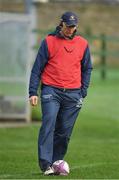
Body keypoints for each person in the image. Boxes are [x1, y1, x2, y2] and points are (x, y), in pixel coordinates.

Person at [29, 11, 93, 175]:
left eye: (73, 26)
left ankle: (56, 162)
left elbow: (87, 69)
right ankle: (46, 165)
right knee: (48, 125)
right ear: (61, 24)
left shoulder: (83, 44)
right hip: (51, 91)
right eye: (68, 26)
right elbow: (37, 69)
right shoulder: (49, 42)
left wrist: (82, 91)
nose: (70, 29)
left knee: (64, 132)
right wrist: (33, 92)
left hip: (73, 94)